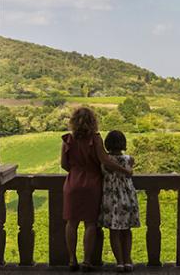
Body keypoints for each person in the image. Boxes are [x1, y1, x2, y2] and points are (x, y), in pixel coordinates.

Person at [61, 107, 131, 271]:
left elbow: (64, 165)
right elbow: (105, 161)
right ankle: (87, 261)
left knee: (71, 223)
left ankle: (72, 259)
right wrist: (125, 171)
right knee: (90, 224)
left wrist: (76, 171)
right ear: (93, 121)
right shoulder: (95, 139)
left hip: (72, 183)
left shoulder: (68, 140)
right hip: (92, 183)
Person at [99, 130, 139, 272]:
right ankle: (128, 260)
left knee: (114, 232)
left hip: (111, 199)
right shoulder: (129, 159)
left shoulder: (105, 161)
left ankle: (120, 262)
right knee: (127, 231)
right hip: (128, 198)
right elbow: (129, 170)